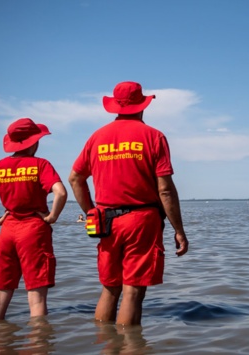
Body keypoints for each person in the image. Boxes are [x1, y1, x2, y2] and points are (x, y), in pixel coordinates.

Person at [69, 81, 189, 326]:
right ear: (142, 106)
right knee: (133, 291)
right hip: (141, 221)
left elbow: (75, 178)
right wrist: (179, 230)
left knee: (110, 288)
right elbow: (165, 190)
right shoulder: (154, 136)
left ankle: (106, 345)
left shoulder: (97, 137)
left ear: (116, 107)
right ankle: (131, 347)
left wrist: (91, 212)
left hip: (105, 221)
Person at [0, 118, 67, 322]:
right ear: (34, 142)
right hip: (34, 231)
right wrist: (52, 217)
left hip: (7, 232)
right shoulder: (40, 165)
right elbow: (61, 193)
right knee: (36, 300)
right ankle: (38, 347)